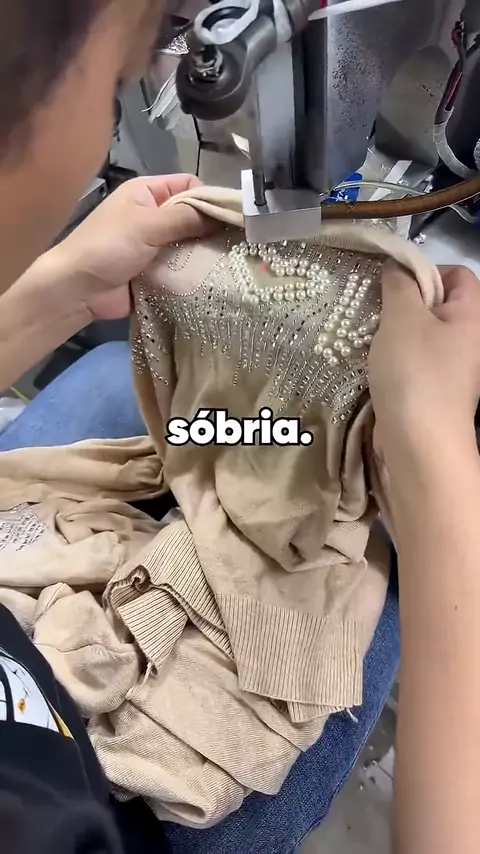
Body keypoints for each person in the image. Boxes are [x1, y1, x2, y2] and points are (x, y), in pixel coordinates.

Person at [0, 2, 477, 852]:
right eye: (117, 79)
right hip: (111, 816)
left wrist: (58, 289)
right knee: (393, 567)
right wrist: (434, 465)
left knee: (110, 376)